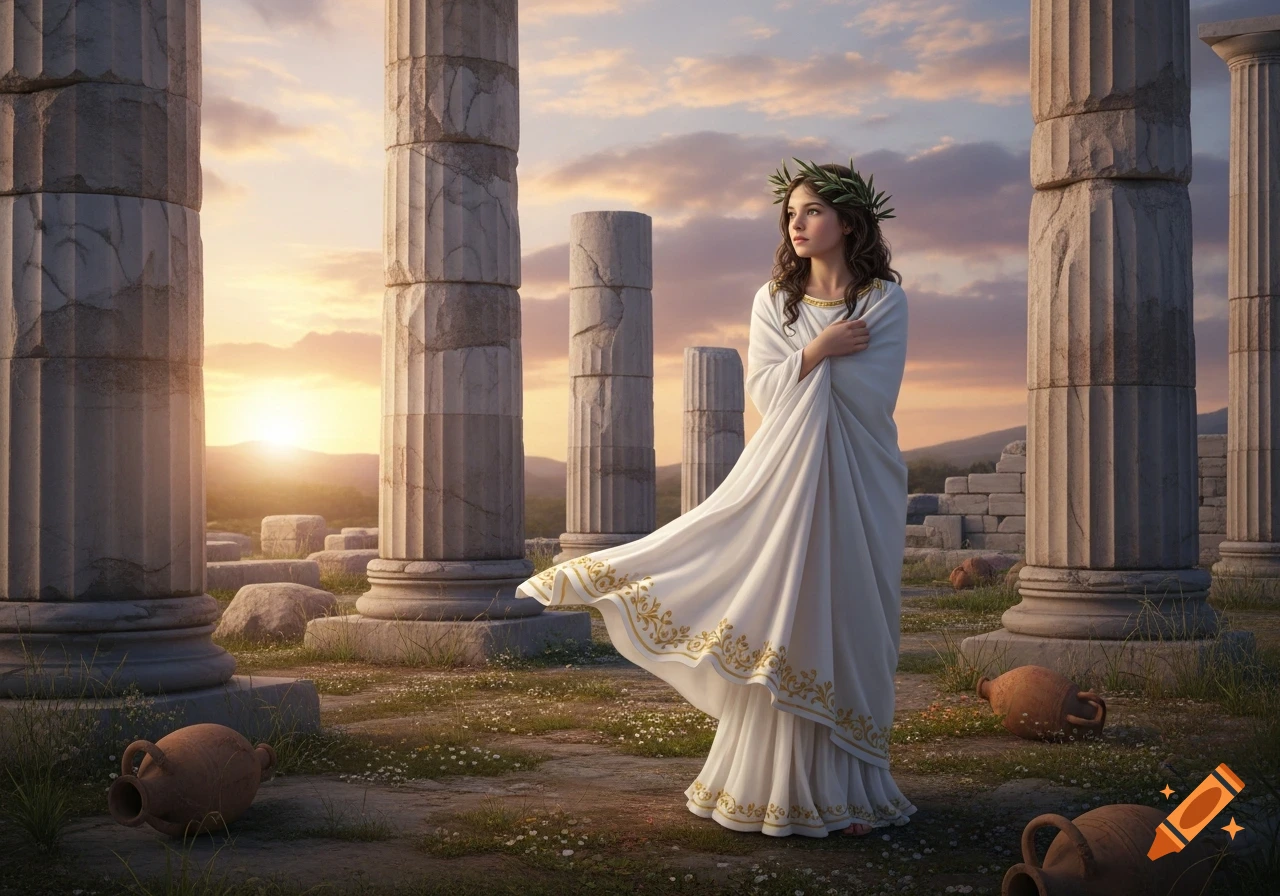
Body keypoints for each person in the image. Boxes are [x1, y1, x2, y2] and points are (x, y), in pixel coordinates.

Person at [514, 157, 916, 838]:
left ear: (847, 222)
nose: (797, 223)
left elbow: (872, 396)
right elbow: (767, 394)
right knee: (782, 611)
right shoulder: (774, 302)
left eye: (811, 211)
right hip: (787, 479)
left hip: (857, 480)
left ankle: (850, 784)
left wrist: (821, 363)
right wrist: (817, 350)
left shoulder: (883, 301)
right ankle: (768, 784)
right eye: (790, 213)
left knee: (851, 615)